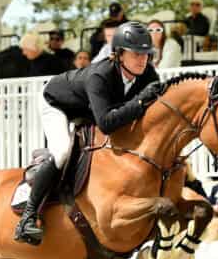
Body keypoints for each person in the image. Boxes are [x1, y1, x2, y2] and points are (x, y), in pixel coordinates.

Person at [14, 21, 161, 245]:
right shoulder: (100, 75)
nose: (143, 60)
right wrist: (141, 101)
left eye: (146, 54)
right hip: (57, 103)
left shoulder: (148, 74)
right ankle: (28, 217)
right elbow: (106, 123)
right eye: (136, 54)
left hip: (90, 108)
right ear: (119, 54)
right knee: (62, 151)